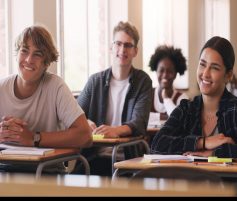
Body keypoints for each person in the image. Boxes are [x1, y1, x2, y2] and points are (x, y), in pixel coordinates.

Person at [150, 36, 237, 195]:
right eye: (202, 65)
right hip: (187, 191)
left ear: (228, 75)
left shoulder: (236, 108)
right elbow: (157, 144)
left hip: (228, 191)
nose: (205, 74)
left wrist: (216, 154)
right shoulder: (187, 108)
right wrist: (203, 142)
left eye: (214, 68)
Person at [0, 25, 92, 172]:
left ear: (47, 62)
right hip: (4, 169)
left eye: (37, 54)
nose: (29, 59)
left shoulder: (56, 87)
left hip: (45, 172)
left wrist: (33, 138)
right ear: (17, 54)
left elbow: (85, 135)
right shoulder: (2, 87)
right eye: (24, 51)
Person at [77, 21, 152, 176]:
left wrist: (115, 131)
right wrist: (85, 122)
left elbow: (139, 122)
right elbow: (75, 113)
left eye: (128, 45)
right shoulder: (95, 81)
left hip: (127, 159)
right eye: (118, 44)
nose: (122, 50)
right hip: (93, 156)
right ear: (111, 48)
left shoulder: (143, 81)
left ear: (135, 51)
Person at [148, 45, 189, 119]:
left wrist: (166, 99)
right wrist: (165, 117)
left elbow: (180, 120)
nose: (165, 75)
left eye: (170, 71)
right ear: (156, 71)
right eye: (161, 70)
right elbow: (141, 118)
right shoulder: (147, 95)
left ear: (175, 74)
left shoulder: (182, 98)